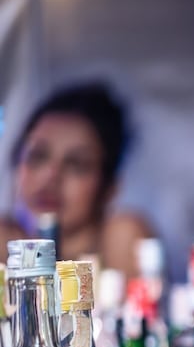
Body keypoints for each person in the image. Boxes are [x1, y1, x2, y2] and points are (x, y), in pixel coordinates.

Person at [0, 80, 155, 276]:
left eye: (77, 164)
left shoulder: (122, 236)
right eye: (38, 156)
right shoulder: (4, 242)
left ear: (109, 188)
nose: (51, 177)